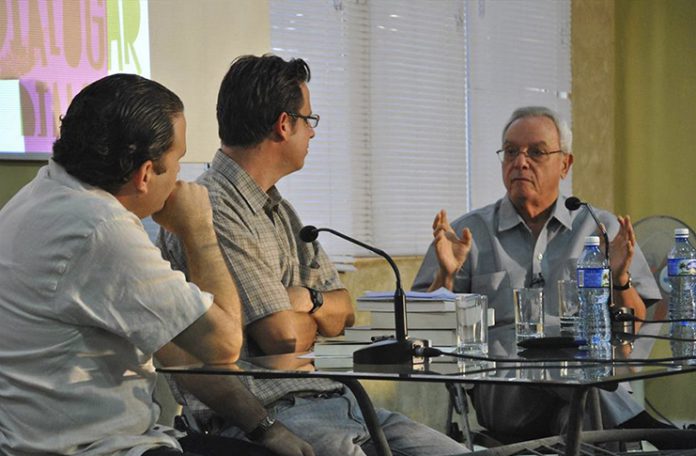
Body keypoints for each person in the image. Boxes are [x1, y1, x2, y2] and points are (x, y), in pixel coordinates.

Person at [158, 54, 468, 456]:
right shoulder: (215, 206)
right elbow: (281, 337)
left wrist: (307, 298)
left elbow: (343, 313)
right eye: (310, 120)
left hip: (339, 402)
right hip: (270, 415)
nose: (314, 133)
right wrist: (303, 315)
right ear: (284, 124)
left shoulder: (280, 210)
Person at [0, 73, 312, 456]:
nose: (183, 175)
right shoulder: (102, 229)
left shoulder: (39, 195)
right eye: (178, 160)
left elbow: (177, 352)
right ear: (145, 174)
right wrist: (198, 229)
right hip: (94, 447)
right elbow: (222, 346)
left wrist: (264, 429)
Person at [411, 106, 694, 446]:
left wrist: (620, 277)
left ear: (565, 164)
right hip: (503, 388)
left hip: (585, 387)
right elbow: (423, 331)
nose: (521, 161)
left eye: (536, 152)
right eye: (511, 151)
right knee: (583, 386)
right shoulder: (467, 234)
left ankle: (636, 427)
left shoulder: (600, 228)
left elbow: (633, 327)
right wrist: (445, 275)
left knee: (584, 410)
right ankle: (651, 430)